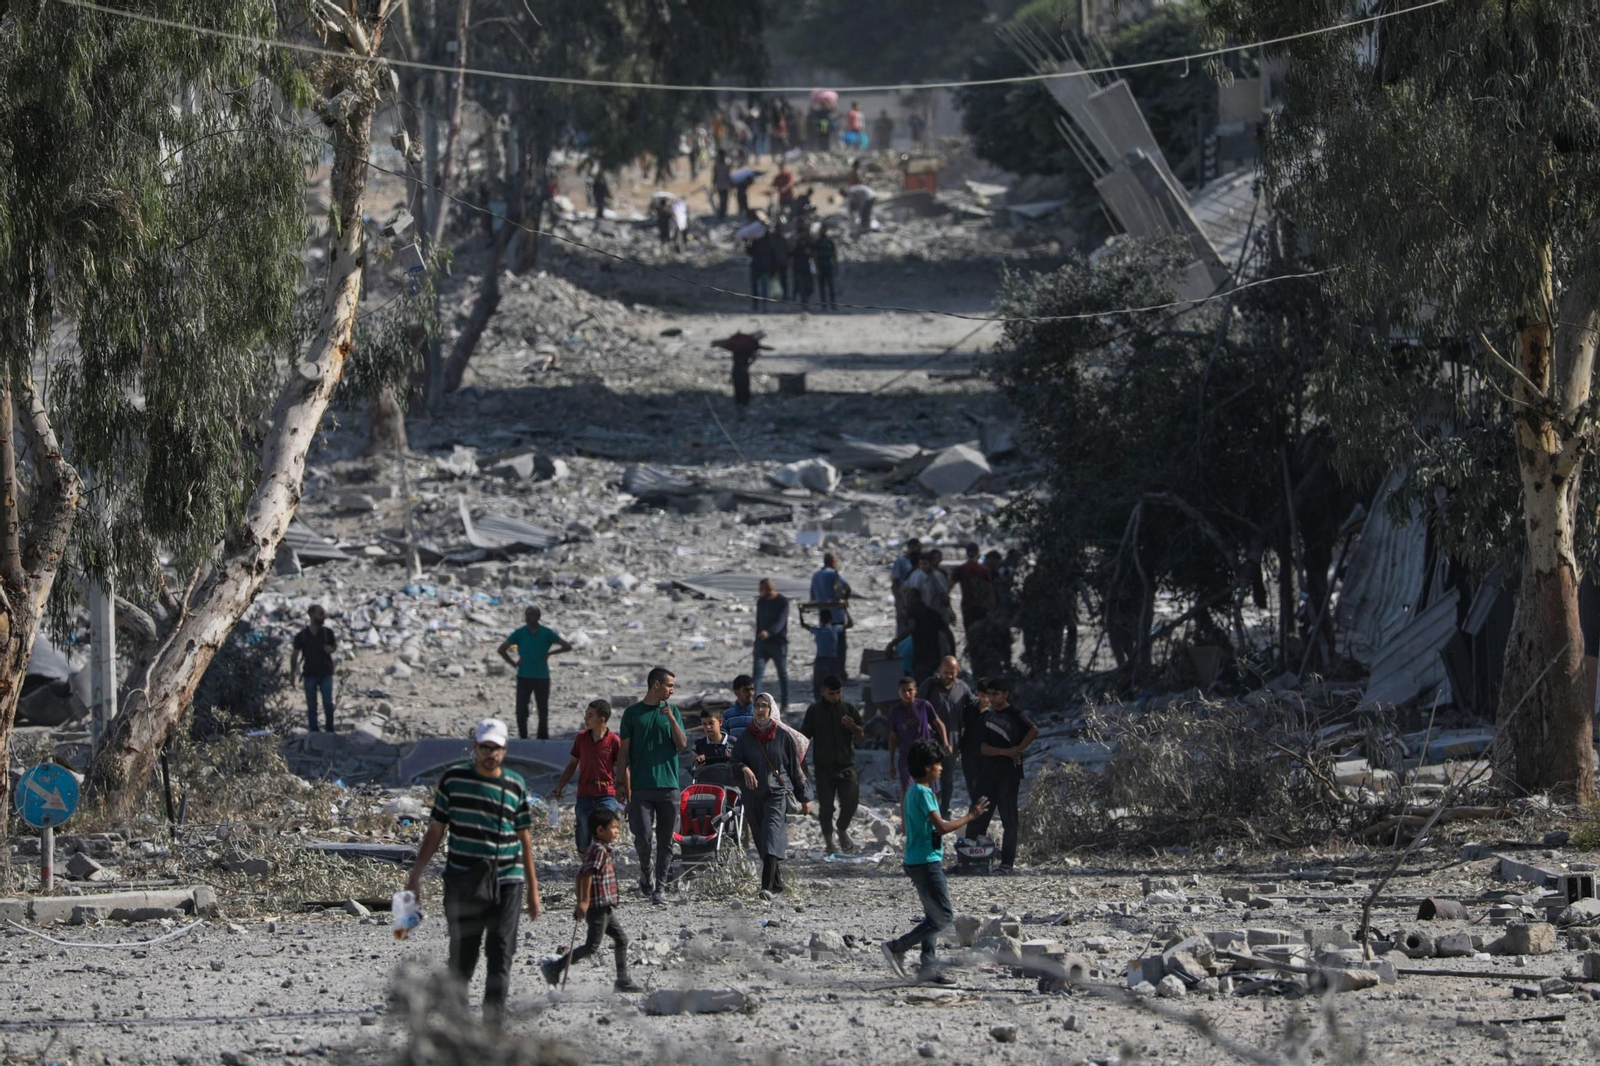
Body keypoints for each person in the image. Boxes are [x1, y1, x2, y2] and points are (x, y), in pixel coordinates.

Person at [405, 719, 542, 1023]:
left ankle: (492, 1031)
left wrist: (533, 890)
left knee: (501, 955)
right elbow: (436, 830)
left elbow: (524, 839)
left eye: (496, 747)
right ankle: (459, 1027)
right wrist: (415, 875)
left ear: (505, 750)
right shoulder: (454, 780)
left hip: (507, 881)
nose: (490, 753)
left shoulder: (515, 785)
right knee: (463, 958)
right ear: (476, 748)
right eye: (485, 747)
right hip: (463, 879)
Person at [882, 738, 988, 984]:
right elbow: (941, 827)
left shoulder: (911, 791)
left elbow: (918, 828)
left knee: (933, 915)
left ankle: (927, 966)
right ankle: (898, 946)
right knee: (944, 916)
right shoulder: (924, 792)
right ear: (928, 766)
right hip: (926, 862)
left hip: (916, 859)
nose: (941, 768)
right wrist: (970, 816)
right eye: (938, 763)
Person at [540, 808, 642, 992]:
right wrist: (583, 902)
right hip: (597, 906)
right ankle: (554, 968)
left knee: (622, 940)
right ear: (600, 830)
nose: (617, 832)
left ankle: (622, 980)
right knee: (591, 946)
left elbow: (580, 876)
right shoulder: (598, 850)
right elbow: (586, 875)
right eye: (613, 828)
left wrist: (581, 900)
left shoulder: (600, 849)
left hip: (605, 907)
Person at [617, 667, 688, 905]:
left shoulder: (673, 711)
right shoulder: (632, 714)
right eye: (669, 685)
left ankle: (661, 888)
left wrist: (669, 718)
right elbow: (623, 752)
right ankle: (646, 869)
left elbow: (681, 745)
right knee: (643, 837)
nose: (672, 690)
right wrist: (620, 783)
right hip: (641, 787)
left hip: (669, 786)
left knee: (666, 841)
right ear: (656, 685)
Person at [732, 692, 811, 898]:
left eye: (763, 706)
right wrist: (743, 768)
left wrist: (805, 797)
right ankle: (777, 884)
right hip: (752, 795)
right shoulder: (746, 737)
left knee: (770, 834)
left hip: (776, 794)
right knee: (761, 840)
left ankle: (765, 887)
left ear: (771, 709)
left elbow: (795, 768)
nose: (759, 710)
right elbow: (733, 763)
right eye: (756, 706)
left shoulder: (782, 737)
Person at [966, 677, 1038, 874]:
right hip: (988, 773)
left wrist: (1019, 749)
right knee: (978, 815)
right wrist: (1007, 752)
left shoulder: (1015, 714)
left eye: (995, 694)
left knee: (1009, 820)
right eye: (989, 694)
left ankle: (1007, 863)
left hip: (1008, 775)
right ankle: (970, 860)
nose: (991, 698)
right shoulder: (986, 715)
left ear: (1005, 694)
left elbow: (1033, 730)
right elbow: (984, 748)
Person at [799, 674, 864, 854]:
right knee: (826, 808)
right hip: (824, 769)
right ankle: (829, 844)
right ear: (823, 691)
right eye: (831, 693)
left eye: (838, 693)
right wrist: (802, 763)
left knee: (851, 802)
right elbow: (803, 738)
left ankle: (842, 829)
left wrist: (853, 727)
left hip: (846, 767)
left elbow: (861, 735)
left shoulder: (848, 708)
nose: (835, 696)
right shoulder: (814, 711)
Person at [551, 699, 621, 854]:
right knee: (583, 833)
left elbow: (623, 768)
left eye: (590, 715)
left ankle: (601, 864)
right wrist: (559, 786)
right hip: (585, 794)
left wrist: (627, 793)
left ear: (601, 719)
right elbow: (572, 764)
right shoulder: (581, 738)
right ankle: (586, 863)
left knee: (606, 825)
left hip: (606, 794)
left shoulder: (614, 741)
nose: (585, 719)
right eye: (586, 714)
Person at [497, 606, 573, 741]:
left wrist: (550, 653)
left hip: (541, 677)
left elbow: (567, 646)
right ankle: (523, 738)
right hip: (524, 676)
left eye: (531, 615)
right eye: (526, 614)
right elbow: (502, 649)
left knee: (542, 710)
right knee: (521, 710)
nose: (527, 617)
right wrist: (513, 663)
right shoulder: (520, 633)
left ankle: (542, 739)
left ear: (538, 617)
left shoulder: (546, 633)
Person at [919, 657, 976, 817]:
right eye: (945, 672)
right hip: (930, 740)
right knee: (929, 776)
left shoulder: (962, 688)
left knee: (947, 778)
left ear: (957, 671)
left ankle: (944, 811)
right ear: (939, 670)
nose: (949, 676)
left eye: (952, 673)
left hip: (953, 740)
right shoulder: (930, 685)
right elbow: (918, 706)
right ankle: (929, 810)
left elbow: (973, 708)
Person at [883, 675, 947, 795]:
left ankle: (933, 812)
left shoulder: (924, 705)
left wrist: (946, 743)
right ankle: (906, 813)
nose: (907, 694)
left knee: (930, 789)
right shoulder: (895, 711)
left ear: (916, 690)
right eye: (903, 691)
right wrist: (891, 763)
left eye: (910, 690)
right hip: (907, 755)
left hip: (925, 754)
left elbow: (939, 723)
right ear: (899, 692)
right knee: (907, 789)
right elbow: (893, 737)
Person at [889, 587, 955, 684]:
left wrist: (893, 643)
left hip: (921, 658)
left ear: (911, 599)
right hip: (935, 657)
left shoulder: (913, 611)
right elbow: (949, 634)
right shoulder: (932, 613)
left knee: (922, 686)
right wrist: (952, 655)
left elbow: (911, 628)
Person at [291, 604, 337, 733]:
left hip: (326, 673)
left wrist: (331, 649)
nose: (323, 616)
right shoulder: (302, 635)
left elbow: (334, 646)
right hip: (309, 674)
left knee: (328, 703)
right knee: (312, 705)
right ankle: (314, 730)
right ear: (312, 615)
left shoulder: (328, 633)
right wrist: (292, 673)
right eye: (320, 614)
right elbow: (295, 654)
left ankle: (330, 730)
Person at [809, 551, 852, 680]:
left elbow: (812, 596)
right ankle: (840, 673)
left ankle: (825, 673)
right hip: (836, 615)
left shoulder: (816, 575)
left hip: (823, 615)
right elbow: (847, 587)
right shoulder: (833, 574)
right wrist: (845, 599)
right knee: (839, 646)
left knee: (824, 645)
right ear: (833, 562)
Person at [752, 577, 790, 709]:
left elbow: (781, 622)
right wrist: (757, 641)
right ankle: (754, 704)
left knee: (782, 674)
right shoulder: (761, 602)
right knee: (757, 674)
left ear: (768, 589)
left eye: (761, 589)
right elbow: (759, 622)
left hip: (778, 644)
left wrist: (769, 632)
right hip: (762, 644)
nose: (759, 592)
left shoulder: (782, 601)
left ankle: (785, 702)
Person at [800, 604, 849, 703]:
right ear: (831, 619)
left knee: (818, 683)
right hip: (832, 660)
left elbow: (804, 625)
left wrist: (800, 612)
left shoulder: (818, 630)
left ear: (820, 620)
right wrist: (845, 610)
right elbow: (850, 624)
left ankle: (819, 702)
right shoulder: (835, 629)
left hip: (820, 660)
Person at [953, 542, 995, 634]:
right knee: (982, 634)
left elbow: (949, 586)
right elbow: (989, 590)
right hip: (982, 606)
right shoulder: (984, 569)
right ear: (978, 552)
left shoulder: (960, 569)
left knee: (969, 633)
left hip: (967, 606)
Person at [890, 537, 923, 626]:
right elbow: (895, 584)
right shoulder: (901, 561)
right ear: (911, 547)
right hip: (904, 602)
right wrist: (900, 604)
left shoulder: (921, 563)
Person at [812, 222, 839, 312]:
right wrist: (816, 268)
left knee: (831, 287)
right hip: (821, 267)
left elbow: (834, 254)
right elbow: (815, 256)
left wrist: (835, 265)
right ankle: (823, 305)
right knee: (822, 287)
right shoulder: (817, 242)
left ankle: (833, 304)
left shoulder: (829, 242)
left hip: (829, 266)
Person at [790, 229, 815, 311]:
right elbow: (790, 254)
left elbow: (813, 254)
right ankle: (805, 305)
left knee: (809, 287)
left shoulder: (809, 244)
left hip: (807, 269)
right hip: (798, 269)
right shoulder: (796, 245)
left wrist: (810, 252)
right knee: (802, 288)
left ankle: (806, 303)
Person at [713, 151, 732, 220]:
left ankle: (723, 213)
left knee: (725, 200)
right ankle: (722, 213)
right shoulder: (718, 164)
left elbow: (728, 175)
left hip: (724, 184)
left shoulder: (726, 164)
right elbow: (714, 175)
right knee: (722, 200)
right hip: (721, 185)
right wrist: (713, 185)